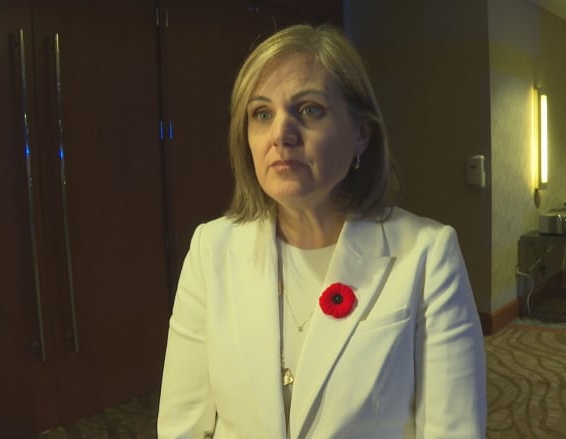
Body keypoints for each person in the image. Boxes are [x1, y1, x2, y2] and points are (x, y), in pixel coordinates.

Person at [157, 23, 486, 438]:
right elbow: (181, 427)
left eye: (309, 109)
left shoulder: (428, 255)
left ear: (361, 135)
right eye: (262, 113)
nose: (280, 134)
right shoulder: (211, 249)